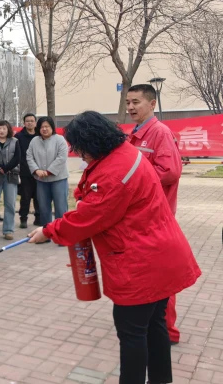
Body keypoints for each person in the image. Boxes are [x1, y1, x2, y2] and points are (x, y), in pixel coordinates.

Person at [28, 111, 200, 384]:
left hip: (142, 262)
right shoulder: (124, 153)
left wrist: (48, 231)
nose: (78, 154)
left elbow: (90, 217)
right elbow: (93, 197)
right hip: (160, 253)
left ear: (91, 142)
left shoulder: (115, 172)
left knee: (132, 334)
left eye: (79, 148)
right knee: (155, 325)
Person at [126, 83, 184, 345]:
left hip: (157, 216)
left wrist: (135, 184)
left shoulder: (160, 132)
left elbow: (170, 171)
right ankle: (151, 324)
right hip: (141, 216)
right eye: (128, 103)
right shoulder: (136, 133)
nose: (130, 107)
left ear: (152, 104)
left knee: (161, 276)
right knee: (147, 274)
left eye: (135, 102)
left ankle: (167, 331)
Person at [27, 116, 69, 229]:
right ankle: (46, 232)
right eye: (42, 127)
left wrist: (49, 171)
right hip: (41, 180)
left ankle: (61, 232)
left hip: (58, 179)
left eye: (47, 126)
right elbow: (29, 156)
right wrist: (36, 170)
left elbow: (61, 157)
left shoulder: (60, 139)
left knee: (60, 207)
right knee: (43, 208)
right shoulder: (34, 141)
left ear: (52, 127)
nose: (44, 129)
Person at [0, 121, 21, 241]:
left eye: (4, 129)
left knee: (10, 204)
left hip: (11, 176)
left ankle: (8, 230)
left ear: (8, 130)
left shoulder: (15, 141)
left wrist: (6, 168)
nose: (1, 131)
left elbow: (17, 158)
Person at [15, 113, 39, 228]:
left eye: (32, 121)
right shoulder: (19, 136)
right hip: (25, 171)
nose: (30, 123)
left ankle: (39, 218)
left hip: (39, 171)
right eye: (27, 121)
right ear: (24, 123)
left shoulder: (40, 135)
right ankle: (23, 218)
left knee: (39, 197)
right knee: (25, 197)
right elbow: (17, 154)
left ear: (35, 122)